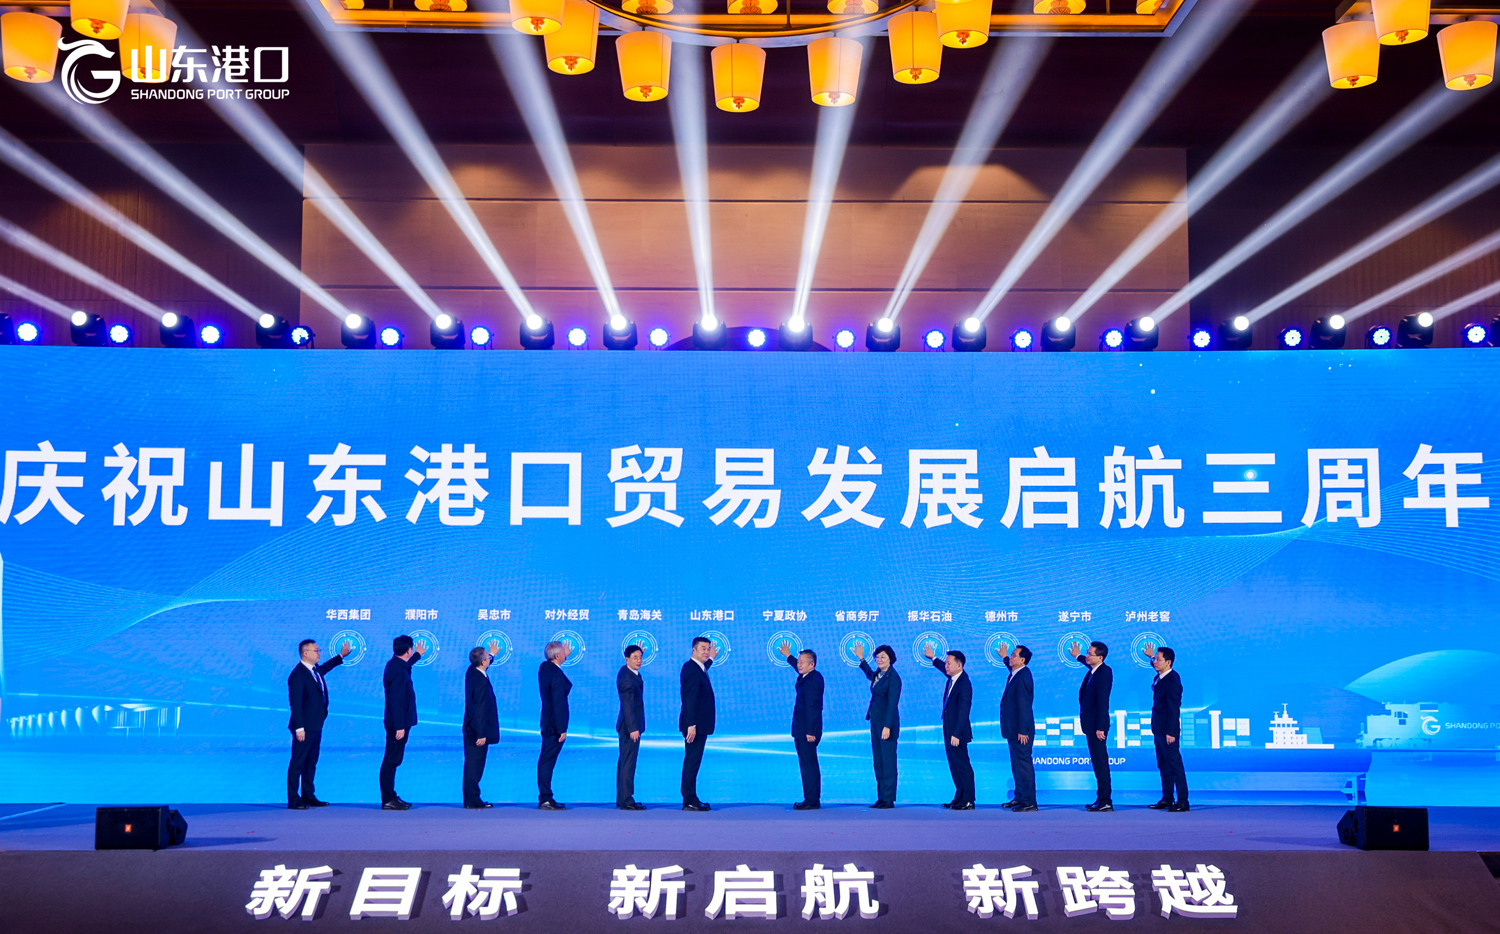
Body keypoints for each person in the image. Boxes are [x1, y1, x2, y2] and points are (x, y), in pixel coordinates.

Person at [286, 637, 351, 810]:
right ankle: (293, 799)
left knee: (311, 762)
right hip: (304, 727)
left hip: (315, 725)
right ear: (305, 653)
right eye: (316, 651)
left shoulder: (315, 671)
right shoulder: (297, 675)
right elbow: (295, 704)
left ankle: (308, 795)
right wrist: (299, 727)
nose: (319, 653)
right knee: (298, 762)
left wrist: (340, 656)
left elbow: (326, 668)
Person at [925, 644, 974, 810]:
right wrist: (933, 658)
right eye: (945, 663)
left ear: (959, 665)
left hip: (957, 733)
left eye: (949, 663)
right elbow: (942, 668)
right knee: (954, 765)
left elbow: (964, 711)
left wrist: (956, 733)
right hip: (949, 730)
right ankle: (960, 796)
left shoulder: (964, 683)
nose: (946, 666)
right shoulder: (953, 679)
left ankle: (968, 799)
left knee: (962, 765)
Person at [380, 634, 426, 810]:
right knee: (391, 760)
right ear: (408, 650)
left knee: (393, 760)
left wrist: (418, 655)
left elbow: (406, 666)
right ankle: (388, 799)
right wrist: (399, 726)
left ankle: (390, 796)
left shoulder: (396, 665)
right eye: (412, 649)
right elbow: (396, 701)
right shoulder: (398, 670)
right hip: (397, 724)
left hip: (398, 722)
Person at [778, 642, 824, 810]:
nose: (798, 665)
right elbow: (798, 668)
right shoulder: (811, 676)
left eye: (802, 662)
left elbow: (813, 707)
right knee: (808, 763)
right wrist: (788, 656)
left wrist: (810, 731)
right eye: (798, 662)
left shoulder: (812, 681)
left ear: (812, 664)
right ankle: (812, 798)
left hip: (807, 731)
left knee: (808, 765)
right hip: (802, 729)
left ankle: (811, 800)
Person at [856, 642, 901, 808]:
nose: (879, 660)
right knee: (879, 760)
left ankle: (889, 798)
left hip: (886, 724)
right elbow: (869, 674)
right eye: (877, 657)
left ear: (891, 659)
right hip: (875, 722)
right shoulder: (878, 674)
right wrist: (862, 659)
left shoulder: (894, 678)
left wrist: (887, 726)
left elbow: (892, 704)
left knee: (888, 761)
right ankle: (881, 796)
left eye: (883, 657)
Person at [1072, 640, 1114, 812]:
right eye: (1087, 653)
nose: (1087, 656)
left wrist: (1101, 727)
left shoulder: (1104, 672)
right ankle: (1101, 798)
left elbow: (1103, 701)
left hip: (1098, 727)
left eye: (1090, 654)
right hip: (1091, 725)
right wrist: (1077, 656)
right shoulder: (1094, 670)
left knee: (1101, 763)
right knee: (1097, 763)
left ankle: (1106, 801)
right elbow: (1086, 661)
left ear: (1100, 657)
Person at [679, 636, 719, 811]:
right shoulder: (691, 669)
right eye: (703, 648)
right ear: (693, 650)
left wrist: (711, 659)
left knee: (693, 761)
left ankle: (691, 797)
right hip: (694, 726)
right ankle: (689, 800)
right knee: (692, 762)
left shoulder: (698, 668)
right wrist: (691, 724)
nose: (706, 651)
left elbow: (702, 670)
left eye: (708, 649)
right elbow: (689, 698)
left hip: (698, 725)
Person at [1149, 645, 1189, 812]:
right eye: (1154, 659)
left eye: (1158, 659)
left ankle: (1183, 801)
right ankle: (1167, 798)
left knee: (1174, 765)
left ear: (1169, 662)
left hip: (1168, 731)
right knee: (1163, 764)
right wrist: (1150, 657)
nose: (1154, 662)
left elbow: (1174, 708)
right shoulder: (1161, 676)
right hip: (1158, 728)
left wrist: (1171, 731)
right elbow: (1155, 664)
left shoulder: (1172, 680)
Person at [1000, 644, 1037, 812]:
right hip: (1013, 729)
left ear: (1022, 660)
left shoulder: (1023, 676)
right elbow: (1009, 666)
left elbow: (1024, 705)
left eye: (1013, 655)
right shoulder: (1016, 673)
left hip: (1021, 730)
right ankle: (1020, 797)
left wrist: (1023, 730)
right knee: (1016, 765)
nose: (1010, 657)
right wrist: (1003, 657)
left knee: (1023, 765)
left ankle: (1029, 802)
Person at [463, 644, 500, 809]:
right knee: (474, 766)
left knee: (473, 764)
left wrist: (491, 654)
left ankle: (471, 798)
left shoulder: (472, 672)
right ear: (483, 662)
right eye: (487, 658)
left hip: (472, 729)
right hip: (476, 732)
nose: (489, 660)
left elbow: (483, 662)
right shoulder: (480, 682)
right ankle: (472, 800)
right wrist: (481, 733)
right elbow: (479, 710)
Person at [536, 641, 572, 810]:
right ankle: (545, 799)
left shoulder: (545, 669)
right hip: (554, 726)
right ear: (557, 655)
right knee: (547, 761)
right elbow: (558, 703)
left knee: (546, 760)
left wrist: (562, 658)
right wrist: (561, 728)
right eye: (563, 651)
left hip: (547, 722)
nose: (566, 652)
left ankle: (545, 797)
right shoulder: (555, 674)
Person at [616, 644, 647, 810]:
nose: (639, 660)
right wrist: (633, 728)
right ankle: (627, 800)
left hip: (627, 725)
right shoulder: (627, 678)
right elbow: (627, 704)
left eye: (640, 657)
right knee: (628, 763)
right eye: (635, 658)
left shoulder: (626, 671)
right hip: (630, 727)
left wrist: (637, 652)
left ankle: (622, 798)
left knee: (624, 761)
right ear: (626, 659)